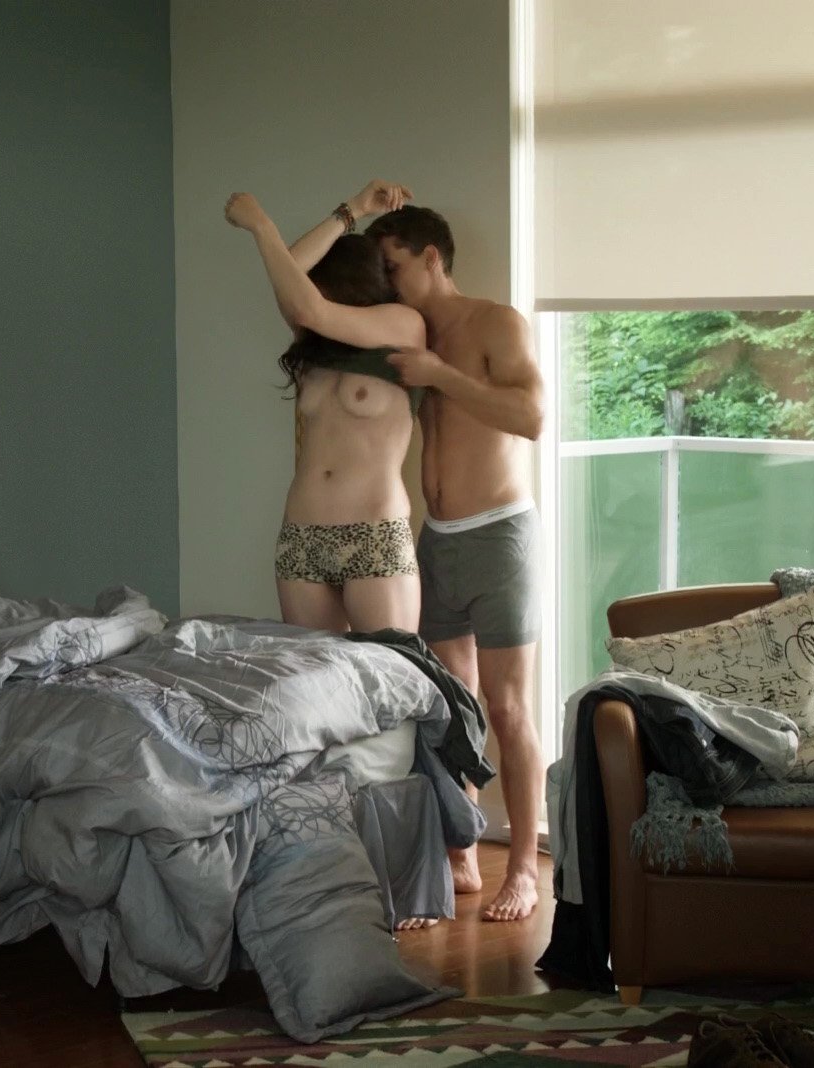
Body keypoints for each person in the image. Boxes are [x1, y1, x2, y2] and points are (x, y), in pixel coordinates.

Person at [365, 203, 546, 923]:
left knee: (507, 707)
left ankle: (525, 868)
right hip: (436, 537)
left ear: (432, 258)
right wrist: (360, 210)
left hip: (499, 536)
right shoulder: (405, 330)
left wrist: (440, 374)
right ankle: (462, 852)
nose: (387, 280)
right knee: (454, 705)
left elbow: (530, 417)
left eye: (394, 266)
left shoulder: (496, 323)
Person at [224, 183, 425, 635]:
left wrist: (262, 225)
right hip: (301, 537)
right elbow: (289, 270)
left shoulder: (403, 326)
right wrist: (353, 209)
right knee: (314, 677)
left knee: (392, 674)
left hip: (373, 534)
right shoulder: (311, 340)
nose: (309, 290)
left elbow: (307, 305)